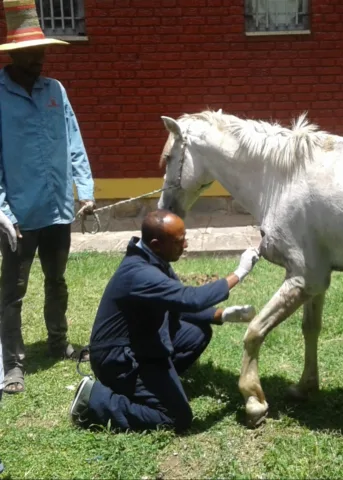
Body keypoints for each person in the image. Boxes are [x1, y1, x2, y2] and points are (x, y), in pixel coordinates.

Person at [69, 210, 260, 433]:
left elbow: (177, 304)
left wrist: (222, 315)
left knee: (198, 333)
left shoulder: (154, 259)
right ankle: (95, 398)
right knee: (176, 418)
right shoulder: (140, 273)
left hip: (143, 344)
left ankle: (156, 385)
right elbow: (190, 299)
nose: (186, 245)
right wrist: (240, 272)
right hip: (117, 358)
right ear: (156, 244)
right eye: (179, 241)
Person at [0, 0, 96, 394]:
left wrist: (85, 193)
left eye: (43, 52)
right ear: (14, 54)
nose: (41, 59)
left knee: (57, 281)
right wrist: (2, 211)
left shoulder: (55, 90)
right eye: (33, 54)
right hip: (18, 216)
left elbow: (73, 140)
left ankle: (59, 343)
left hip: (57, 211)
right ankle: (12, 365)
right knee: (13, 293)